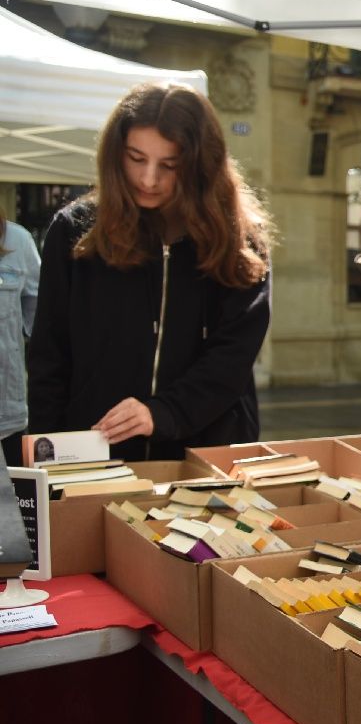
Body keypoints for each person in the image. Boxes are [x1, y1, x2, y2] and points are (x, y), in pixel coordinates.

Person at [28, 82, 273, 461]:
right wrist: (47, 458)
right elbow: (50, 355)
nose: (148, 179)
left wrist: (164, 413)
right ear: (116, 153)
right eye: (136, 158)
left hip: (203, 458)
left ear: (199, 165)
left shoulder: (238, 241)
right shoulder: (76, 231)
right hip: (93, 457)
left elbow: (233, 356)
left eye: (169, 166)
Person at [0, 205, 41, 467]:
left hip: (6, 417)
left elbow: (39, 305)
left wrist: (14, 341)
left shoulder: (18, 241)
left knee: (12, 505)